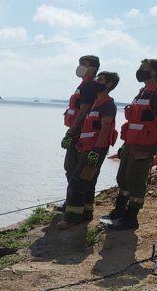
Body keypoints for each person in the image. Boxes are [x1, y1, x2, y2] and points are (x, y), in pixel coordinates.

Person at [102, 59, 157, 230]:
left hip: (145, 145)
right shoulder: (142, 92)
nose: (139, 71)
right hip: (132, 143)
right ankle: (119, 212)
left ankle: (131, 218)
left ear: (154, 72)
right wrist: (125, 144)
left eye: (143, 68)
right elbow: (134, 121)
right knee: (123, 178)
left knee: (136, 180)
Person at [57, 71, 120, 230]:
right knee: (88, 181)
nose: (96, 81)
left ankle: (72, 218)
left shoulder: (107, 104)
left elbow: (105, 128)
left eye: (101, 79)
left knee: (77, 182)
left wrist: (97, 150)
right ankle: (86, 213)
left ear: (109, 84)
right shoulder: (95, 104)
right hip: (86, 147)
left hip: (95, 149)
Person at [59, 55, 101, 211]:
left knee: (74, 169)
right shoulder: (83, 85)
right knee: (72, 168)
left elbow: (83, 111)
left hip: (81, 135)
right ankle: (78, 203)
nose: (81, 66)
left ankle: (75, 203)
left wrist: (71, 132)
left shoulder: (90, 86)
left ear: (94, 68)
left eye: (85, 64)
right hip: (79, 133)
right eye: (80, 63)